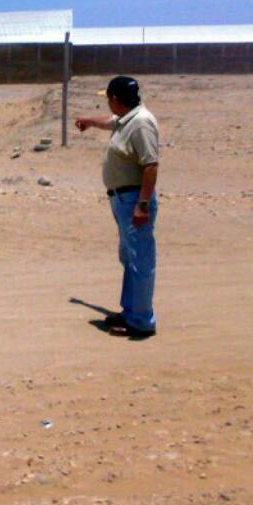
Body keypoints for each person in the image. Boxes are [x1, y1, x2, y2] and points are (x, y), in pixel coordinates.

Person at [75, 76, 160, 338]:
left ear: (115, 99)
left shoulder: (141, 124)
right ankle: (131, 311)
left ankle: (141, 322)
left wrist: (142, 205)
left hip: (134, 200)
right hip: (122, 200)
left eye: (108, 99)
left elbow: (151, 165)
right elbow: (109, 122)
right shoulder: (127, 118)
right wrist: (89, 121)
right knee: (130, 258)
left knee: (140, 261)